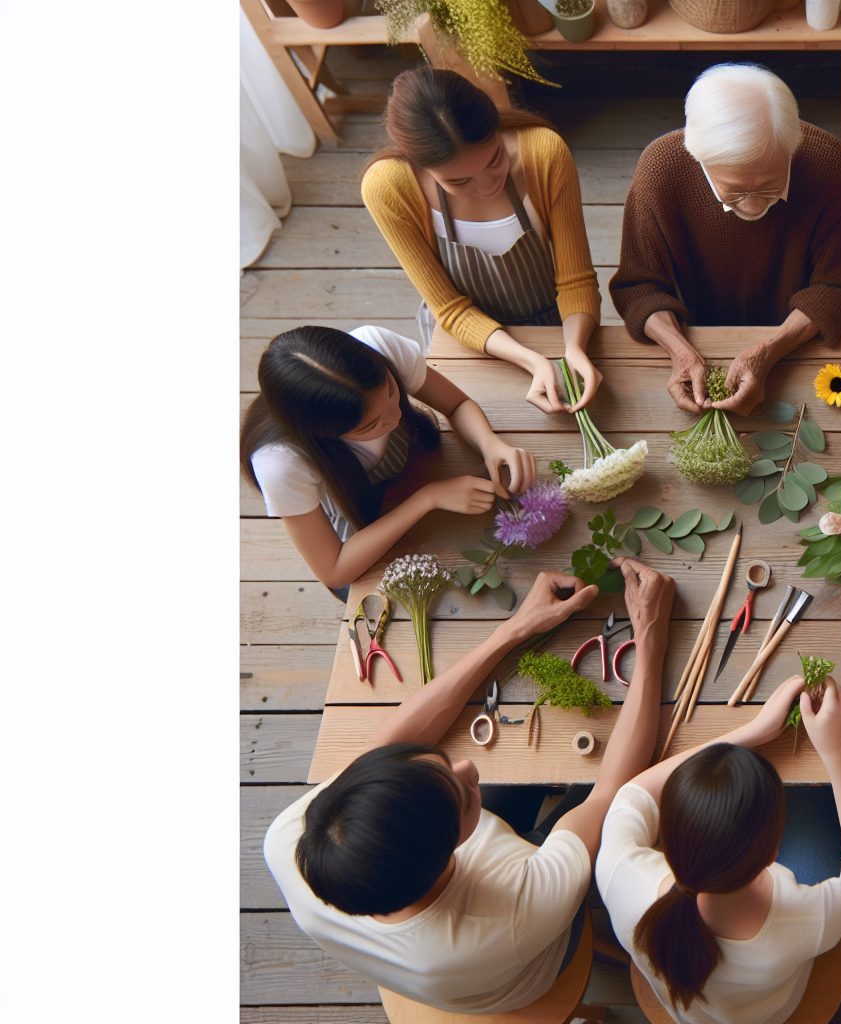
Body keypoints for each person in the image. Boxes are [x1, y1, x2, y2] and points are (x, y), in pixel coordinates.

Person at [262, 562, 675, 1013]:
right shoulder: (516, 909)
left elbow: (397, 742)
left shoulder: (293, 835)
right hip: (526, 966)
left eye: (441, 767)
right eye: (462, 796)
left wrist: (515, 628)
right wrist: (651, 635)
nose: (469, 767)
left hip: (444, 954)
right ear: (455, 848)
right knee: (599, 788)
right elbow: (611, 793)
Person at [596, 661, 841, 1023]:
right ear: (773, 854)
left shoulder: (620, 874)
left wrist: (756, 729)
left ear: (670, 836)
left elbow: (633, 793)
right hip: (778, 1010)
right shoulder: (807, 917)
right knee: (822, 832)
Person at [610, 63, 841, 416]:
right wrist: (680, 351)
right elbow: (639, 286)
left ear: (791, 148)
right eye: (734, 191)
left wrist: (771, 349)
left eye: (770, 186)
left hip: (803, 344)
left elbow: (838, 285)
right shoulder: (661, 169)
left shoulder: (827, 162)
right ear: (698, 157)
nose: (753, 205)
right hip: (696, 332)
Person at [363, 66, 602, 416]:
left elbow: (575, 279)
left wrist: (575, 349)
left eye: (495, 160)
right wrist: (531, 361)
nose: (487, 185)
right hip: (464, 337)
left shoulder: (543, 153)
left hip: (556, 324)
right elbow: (450, 309)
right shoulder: (388, 187)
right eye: (458, 182)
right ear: (418, 165)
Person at [240, 324, 535, 593]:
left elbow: (456, 404)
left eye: (393, 392)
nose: (395, 418)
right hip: (357, 524)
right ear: (322, 433)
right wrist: (428, 498)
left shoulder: (377, 347)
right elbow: (334, 569)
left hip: (418, 461)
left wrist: (490, 443)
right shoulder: (280, 463)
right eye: (370, 425)